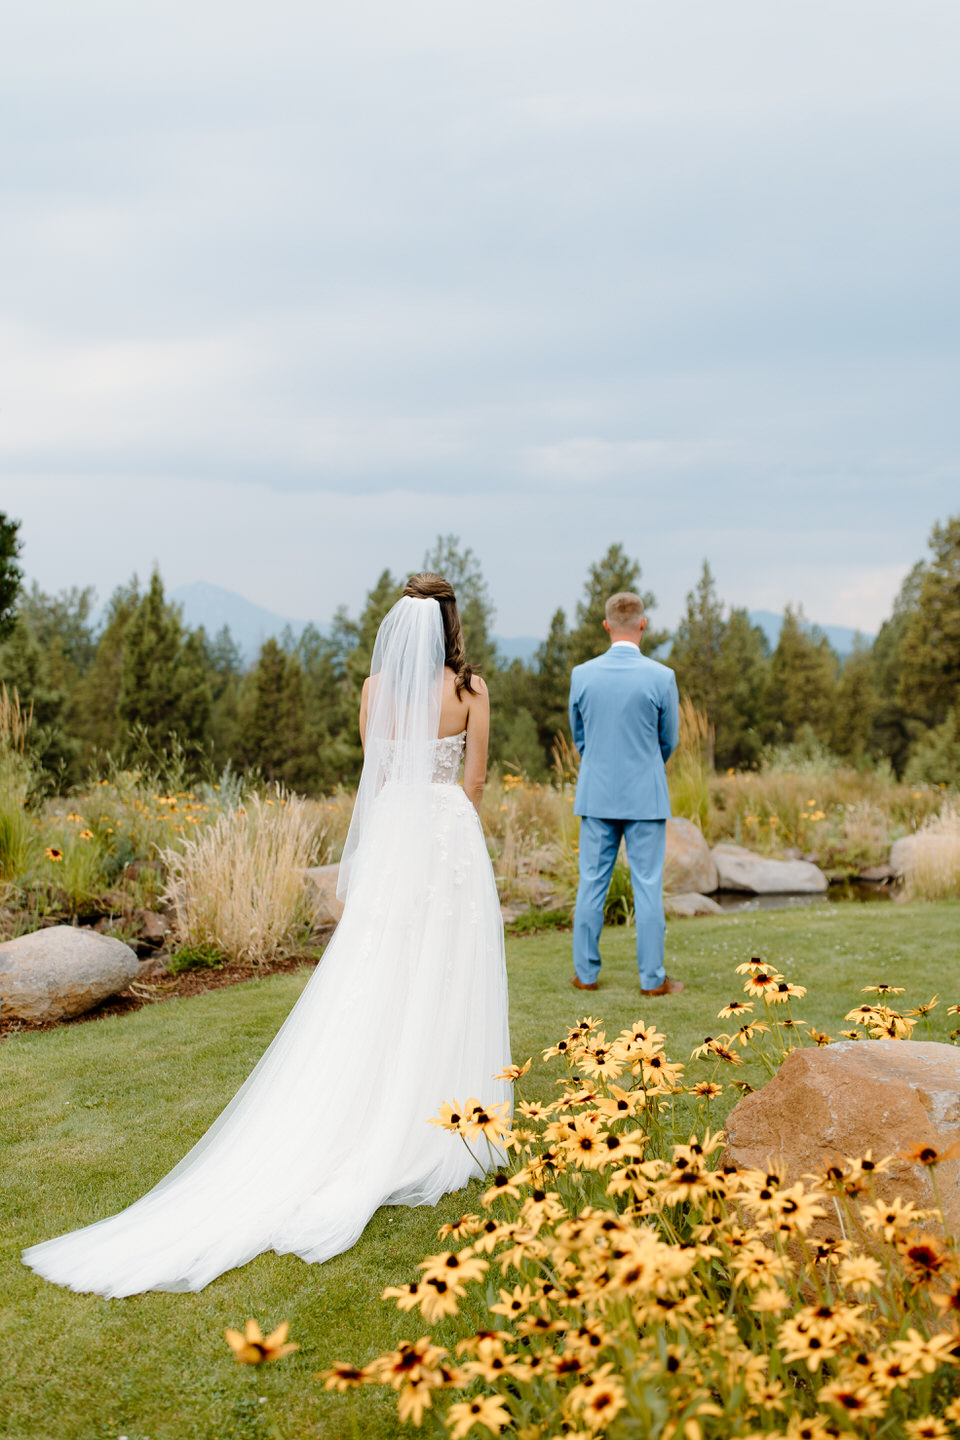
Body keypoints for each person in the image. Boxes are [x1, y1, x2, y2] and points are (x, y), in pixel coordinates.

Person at [22, 575, 512, 1297]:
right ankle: (443, 1114)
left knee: (379, 975)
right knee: (448, 973)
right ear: (450, 625)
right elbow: (472, 785)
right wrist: (451, 833)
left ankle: (384, 1101)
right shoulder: (471, 691)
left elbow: (375, 777)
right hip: (448, 839)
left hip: (399, 835)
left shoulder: (376, 690)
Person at [568, 591, 682, 996]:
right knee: (647, 886)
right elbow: (669, 741)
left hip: (596, 794)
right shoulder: (661, 677)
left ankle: (586, 975)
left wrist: (601, 762)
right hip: (645, 798)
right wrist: (646, 764)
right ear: (643, 624)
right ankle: (653, 980)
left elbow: (580, 737)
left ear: (605, 626)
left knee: (590, 884)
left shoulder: (582, 675)